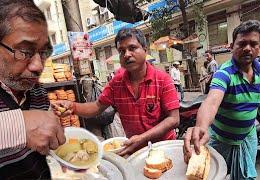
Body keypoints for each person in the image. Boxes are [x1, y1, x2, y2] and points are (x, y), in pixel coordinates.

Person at [52, 28, 180, 156]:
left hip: (164, 148)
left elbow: (174, 119)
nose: (126, 54)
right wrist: (72, 106)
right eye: (121, 51)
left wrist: (143, 138)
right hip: (135, 151)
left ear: (145, 50)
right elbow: (96, 107)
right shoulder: (116, 83)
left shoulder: (163, 79)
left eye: (132, 48)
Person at [183, 20, 260, 180]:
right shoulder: (224, 73)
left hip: (248, 137)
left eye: (253, 44)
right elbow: (211, 102)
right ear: (232, 46)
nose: (247, 48)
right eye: (242, 43)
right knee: (211, 175)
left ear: (259, 46)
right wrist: (201, 127)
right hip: (220, 139)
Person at [0, 1, 66, 179]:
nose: (38, 66)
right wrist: (18, 126)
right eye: (24, 51)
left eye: (43, 53)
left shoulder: (37, 91)